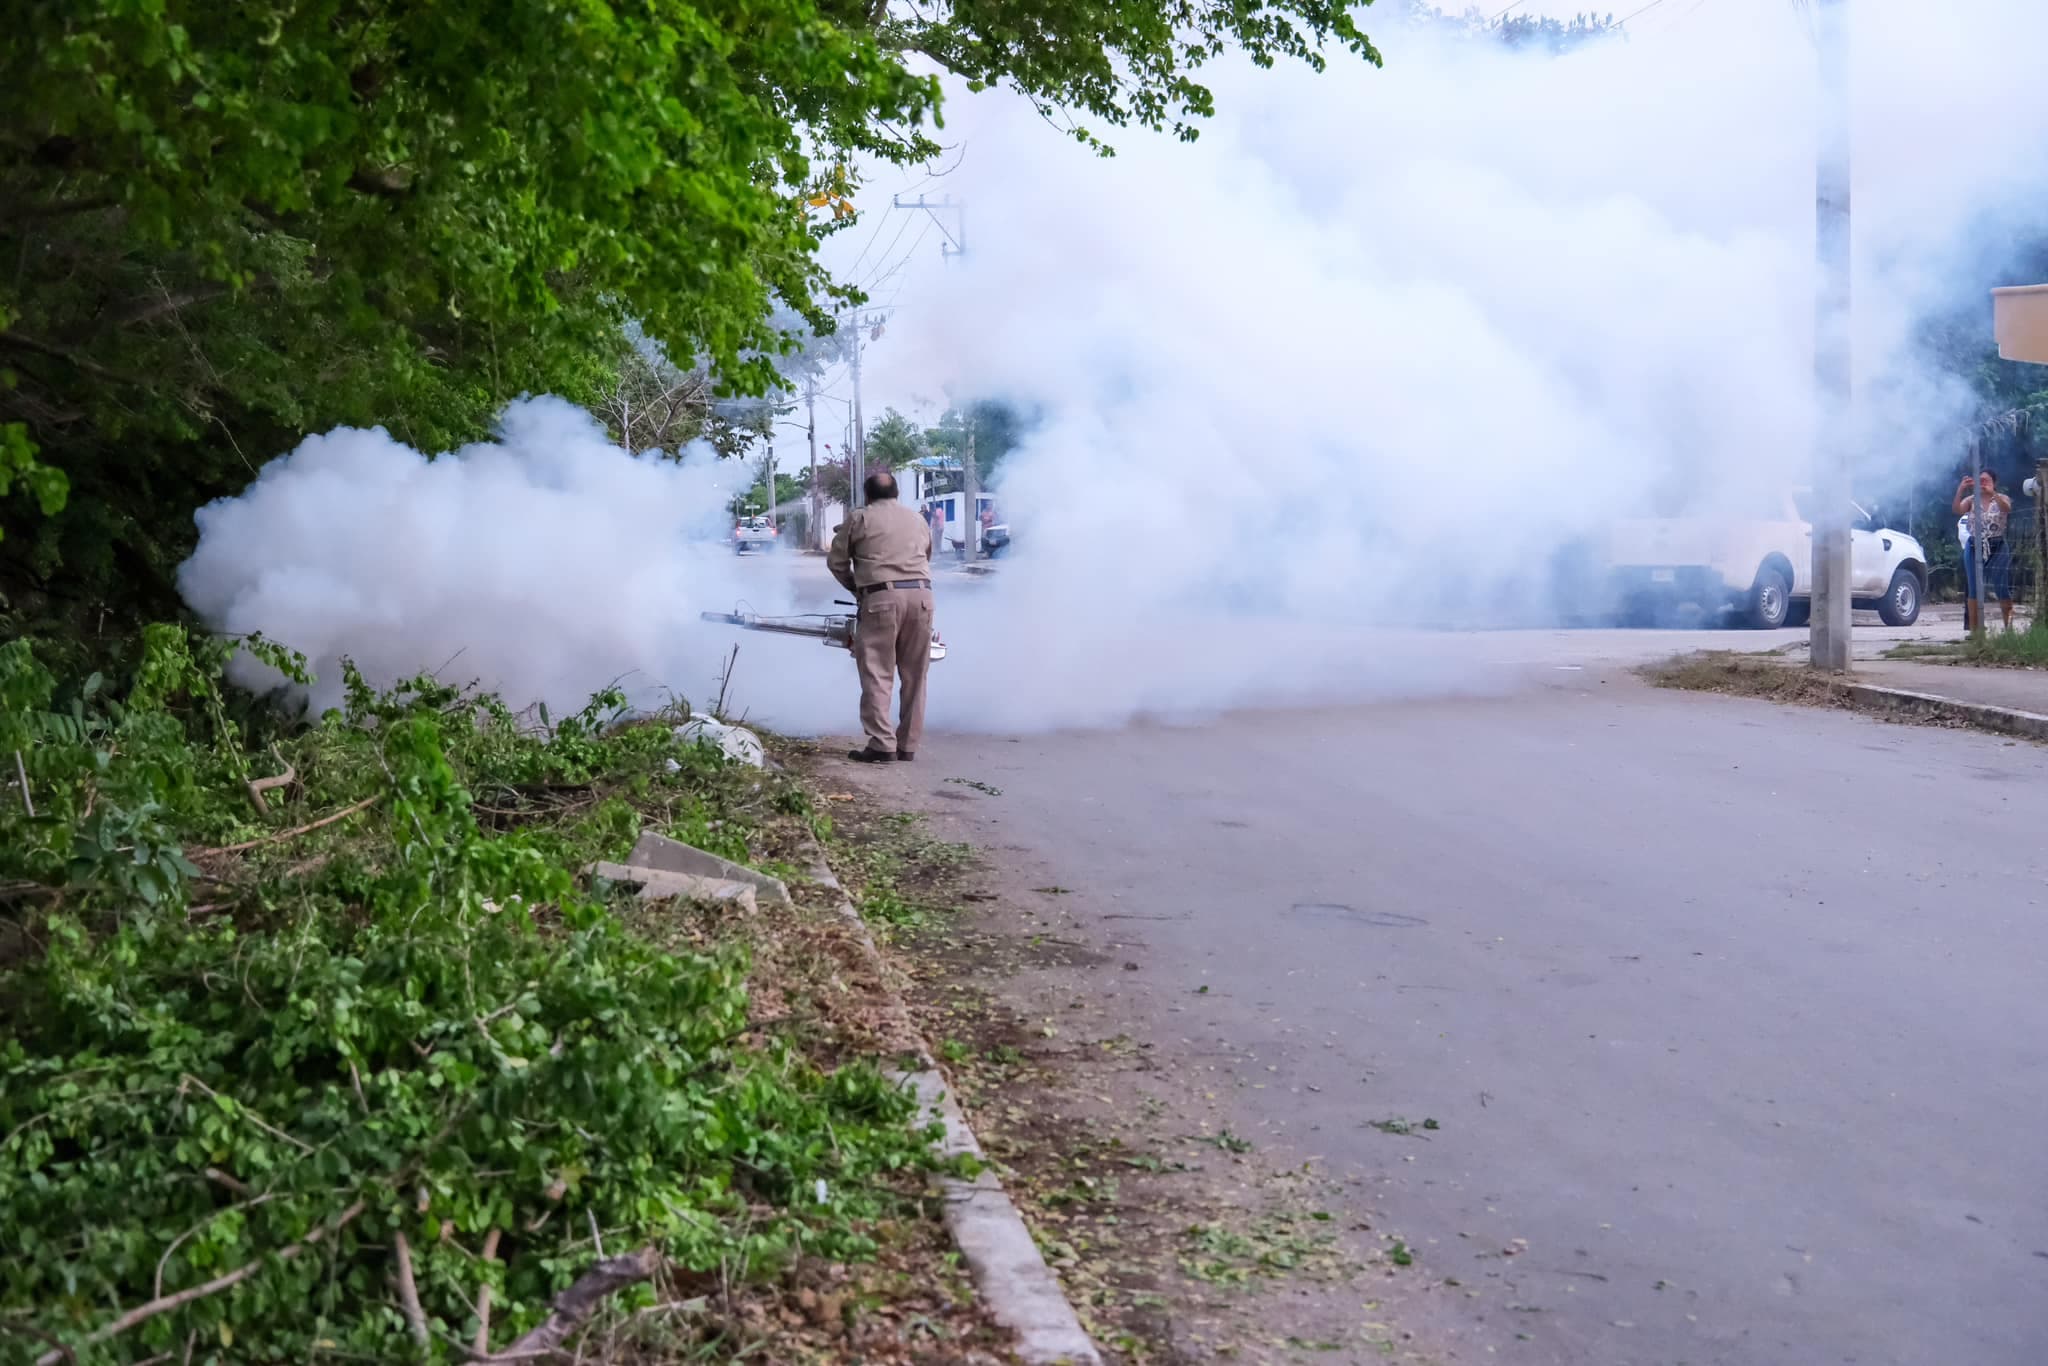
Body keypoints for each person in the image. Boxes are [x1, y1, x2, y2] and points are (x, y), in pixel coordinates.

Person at [828, 471, 935, 762]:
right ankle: (908, 745)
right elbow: (926, 556)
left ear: (867, 495)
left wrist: (860, 590)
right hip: (922, 596)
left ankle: (882, 744)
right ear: (897, 493)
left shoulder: (859, 517)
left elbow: (836, 562)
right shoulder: (917, 519)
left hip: (881, 599)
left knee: (878, 671)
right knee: (915, 675)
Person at [1952, 470, 2015, 631]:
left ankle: (2009, 628)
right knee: (1973, 587)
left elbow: (2006, 509)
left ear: (1994, 483)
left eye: (1986, 480)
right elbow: (1957, 510)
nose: (1983, 483)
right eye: (1980, 480)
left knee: (2001, 586)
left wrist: (1992, 493)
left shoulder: (2001, 498)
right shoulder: (1972, 500)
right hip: (1974, 545)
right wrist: (1961, 488)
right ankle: (1976, 630)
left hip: (1997, 545)